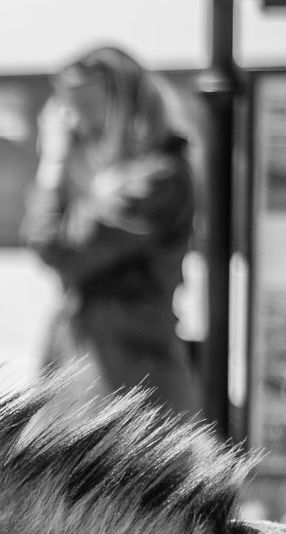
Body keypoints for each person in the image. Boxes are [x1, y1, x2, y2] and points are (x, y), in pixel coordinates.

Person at [22, 43, 198, 413]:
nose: (74, 123)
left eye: (84, 107)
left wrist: (52, 161)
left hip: (128, 373)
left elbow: (58, 249)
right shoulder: (104, 177)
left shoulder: (156, 177)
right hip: (88, 362)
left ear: (122, 106)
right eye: (66, 106)